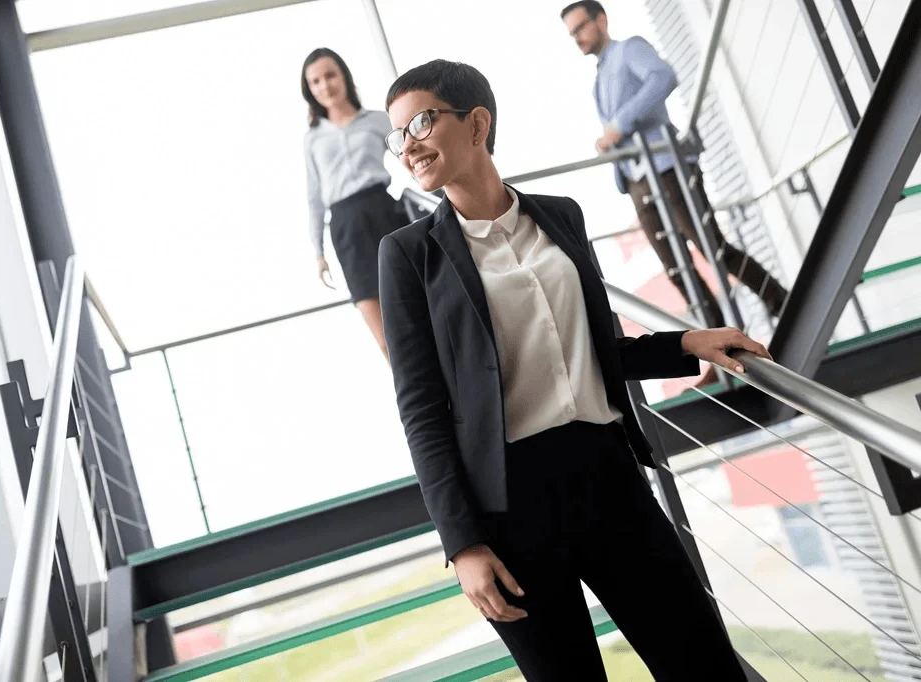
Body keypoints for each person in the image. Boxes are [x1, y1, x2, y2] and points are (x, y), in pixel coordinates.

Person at [379, 59, 760, 681]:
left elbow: (597, 348)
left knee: (703, 665)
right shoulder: (407, 255)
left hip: (608, 475)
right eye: (397, 135)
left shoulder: (561, 216)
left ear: (478, 123)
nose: (408, 145)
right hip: (510, 508)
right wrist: (463, 544)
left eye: (419, 121)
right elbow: (421, 408)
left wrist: (686, 342)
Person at [561, 1, 789, 331]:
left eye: (580, 27)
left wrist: (619, 124)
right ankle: (720, 341)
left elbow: (664, 76)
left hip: (667, 169)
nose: (577, 37)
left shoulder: (629, 49)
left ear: (602, 20)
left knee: (712, 247)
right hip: (637, 181)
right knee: (675, 269)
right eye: (572, 33)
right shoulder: (599, 80)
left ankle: (782, 302)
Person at [302, 47, 408, 359]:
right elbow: (314, 198)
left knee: (413, 311)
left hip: (385, 213)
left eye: (330, 75)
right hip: (345, 228)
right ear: (309, 90)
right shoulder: (312, 138)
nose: (325, 85)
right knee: (384, 338)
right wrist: (318, 252)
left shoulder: (377, 121)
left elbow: (412, 158)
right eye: (315, 81)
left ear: (344, 76)